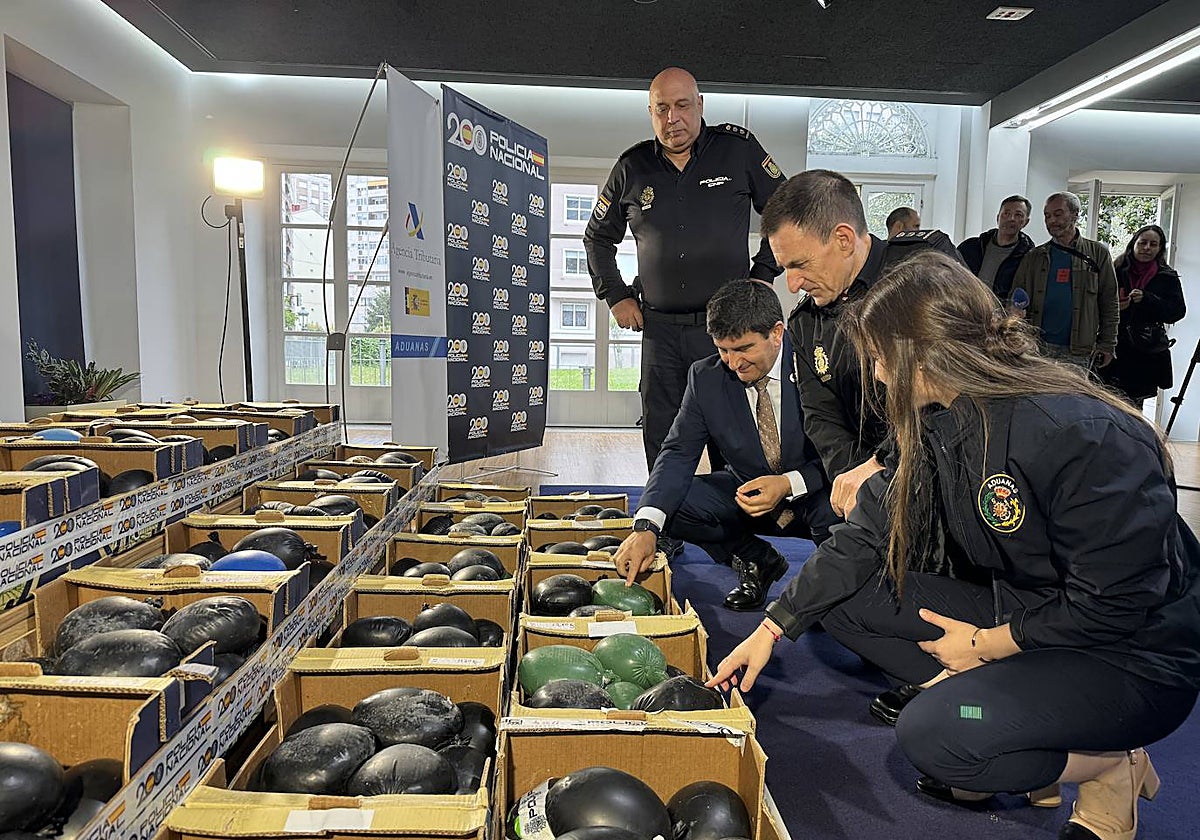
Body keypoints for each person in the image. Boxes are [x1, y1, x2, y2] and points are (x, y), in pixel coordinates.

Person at [708, 251, 1200, 840]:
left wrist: (986, 647)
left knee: (938, 733)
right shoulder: (940, 420)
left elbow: (1116, 603)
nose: (878, 376)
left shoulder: (1084, 435)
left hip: (1133, 655)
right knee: (839, 594)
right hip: (1029, 614)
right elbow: (865, 534)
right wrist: (772, 628)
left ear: (925, 354)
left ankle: (1109, 765)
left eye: (881, 359)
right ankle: (1009, 713)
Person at [583, 67, 787, 485]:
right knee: (662, 436)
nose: (672, 118)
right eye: (661, 109)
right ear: (650, 113)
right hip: (659, 330)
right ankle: (664, 527)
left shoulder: (737, 149)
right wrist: (616, 295)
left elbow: (786, 211)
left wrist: (764, 274)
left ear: (700, 106)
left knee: (730, 438)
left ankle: (736, 534)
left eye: (681, 106)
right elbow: (597, 238)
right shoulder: (632, 166)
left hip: (725, 334)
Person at [613, 279, 836, 611]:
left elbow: (847, 454)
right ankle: (757, 559)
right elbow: (677, 452)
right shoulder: (705, 377)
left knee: (846, 509)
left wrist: (788, 483)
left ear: (777, 333)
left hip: (816, 494)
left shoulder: (817, 365)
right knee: (670, 503)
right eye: (723, 349)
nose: (733, 363)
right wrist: (646, 527)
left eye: (744, 348)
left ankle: (830, 588)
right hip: (747, 496)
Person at [760, 169, 963, 521]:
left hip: (948, 478)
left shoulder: (926, 267)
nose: (792, 284)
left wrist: (882, 464)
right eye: (784, 269)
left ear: (843, 239)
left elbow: (962, 386)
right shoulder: (807, 323)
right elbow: (822, 418)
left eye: (799, 265)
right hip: (864, 492)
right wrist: (857, 487)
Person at [1012, 192, 1119, 369]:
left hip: (1078, 351)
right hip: (1037, 348)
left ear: (1075, 214)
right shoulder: (1034, 256)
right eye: (1047, 216)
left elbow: (1109, 302)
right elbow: (1016, 297)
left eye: (1058, 214)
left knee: (1071, 397)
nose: (1052, 220)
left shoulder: (1098, 254)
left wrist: (1108, 343)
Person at [1099, 224, 1186, 410]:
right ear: (1133, 244)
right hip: (1114, 348)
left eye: (1153, 244)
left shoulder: (1167, 277)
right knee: (1106, 404)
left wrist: (1148, 299)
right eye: (1143, 243)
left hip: (1144, 352)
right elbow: (1097, 303)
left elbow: (1177, 312)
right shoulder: (1116, 269)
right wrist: (1117, 306)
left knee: (1133, 409)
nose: (1147, 248)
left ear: (1160, 248)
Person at [958, 195, 1034, 300]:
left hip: (1002, 313)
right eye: (1006, 213)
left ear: (1025, 222)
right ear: (998, 217)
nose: (1011, 219)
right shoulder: (970, 247)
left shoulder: (1029, 256)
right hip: (968, 309)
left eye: (1018, 215)